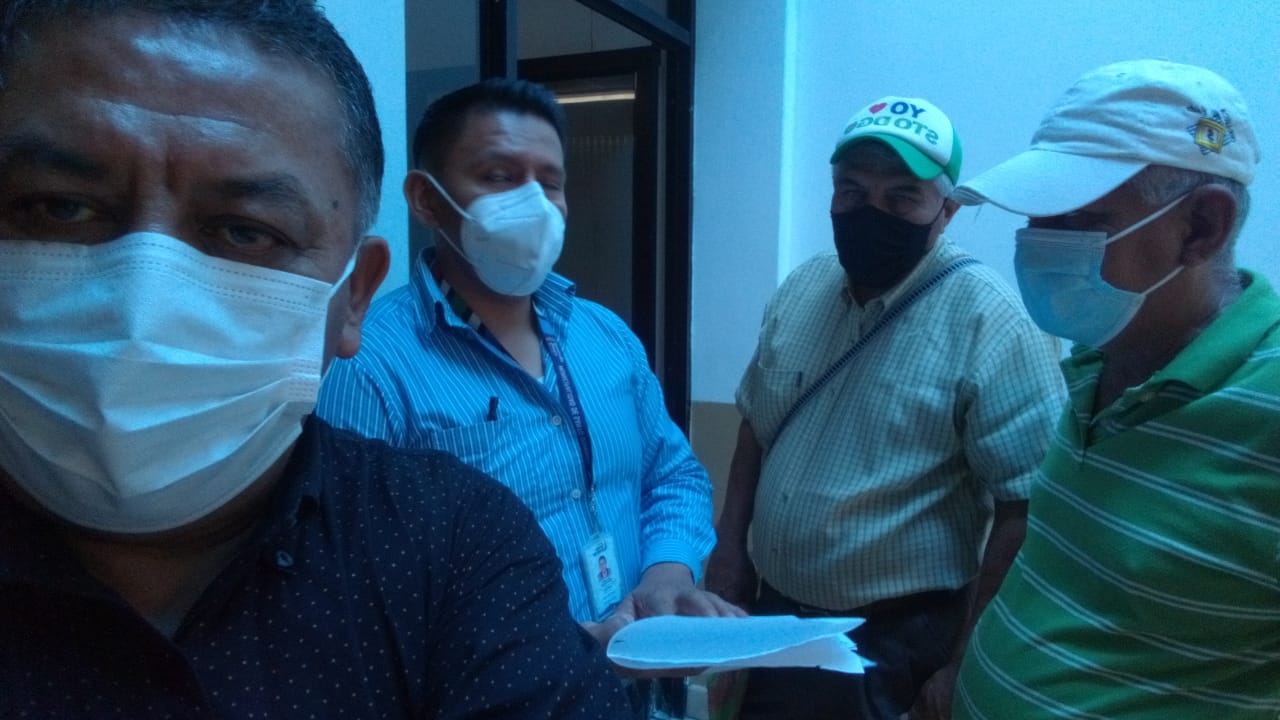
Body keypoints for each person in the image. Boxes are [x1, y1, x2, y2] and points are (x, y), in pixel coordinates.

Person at [0, 2, 633, 717]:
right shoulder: (386, 370)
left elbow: (669, 467)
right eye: (61, 208)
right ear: (426, 200)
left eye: (245, 230)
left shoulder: (455, 540)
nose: (142, 300)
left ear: (353, 295)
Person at [316, 77, 742, 714]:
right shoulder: (370, 366)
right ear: (426, 199)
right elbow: (355, 589)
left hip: (639, 699)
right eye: (499, 176)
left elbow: (671, 474)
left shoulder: (605, 337)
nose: (534, 202)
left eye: (550, 182)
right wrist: (559, 650)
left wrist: (667, 574)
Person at [704, 95, 1066, 720]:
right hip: (773, 614)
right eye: (852, 190)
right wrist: (729, 548)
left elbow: (1025, 510)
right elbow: (755, 428)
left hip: (897, 641)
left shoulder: (993, 322)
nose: (871, 212)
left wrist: (966, 661)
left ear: (946, 212)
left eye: (902, 197)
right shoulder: (803, 287)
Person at [950, 59, 1280, 718]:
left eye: (1077, 221)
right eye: (1038, 218)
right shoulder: (1097, 357)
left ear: (1202, 227)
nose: (1039, 247)